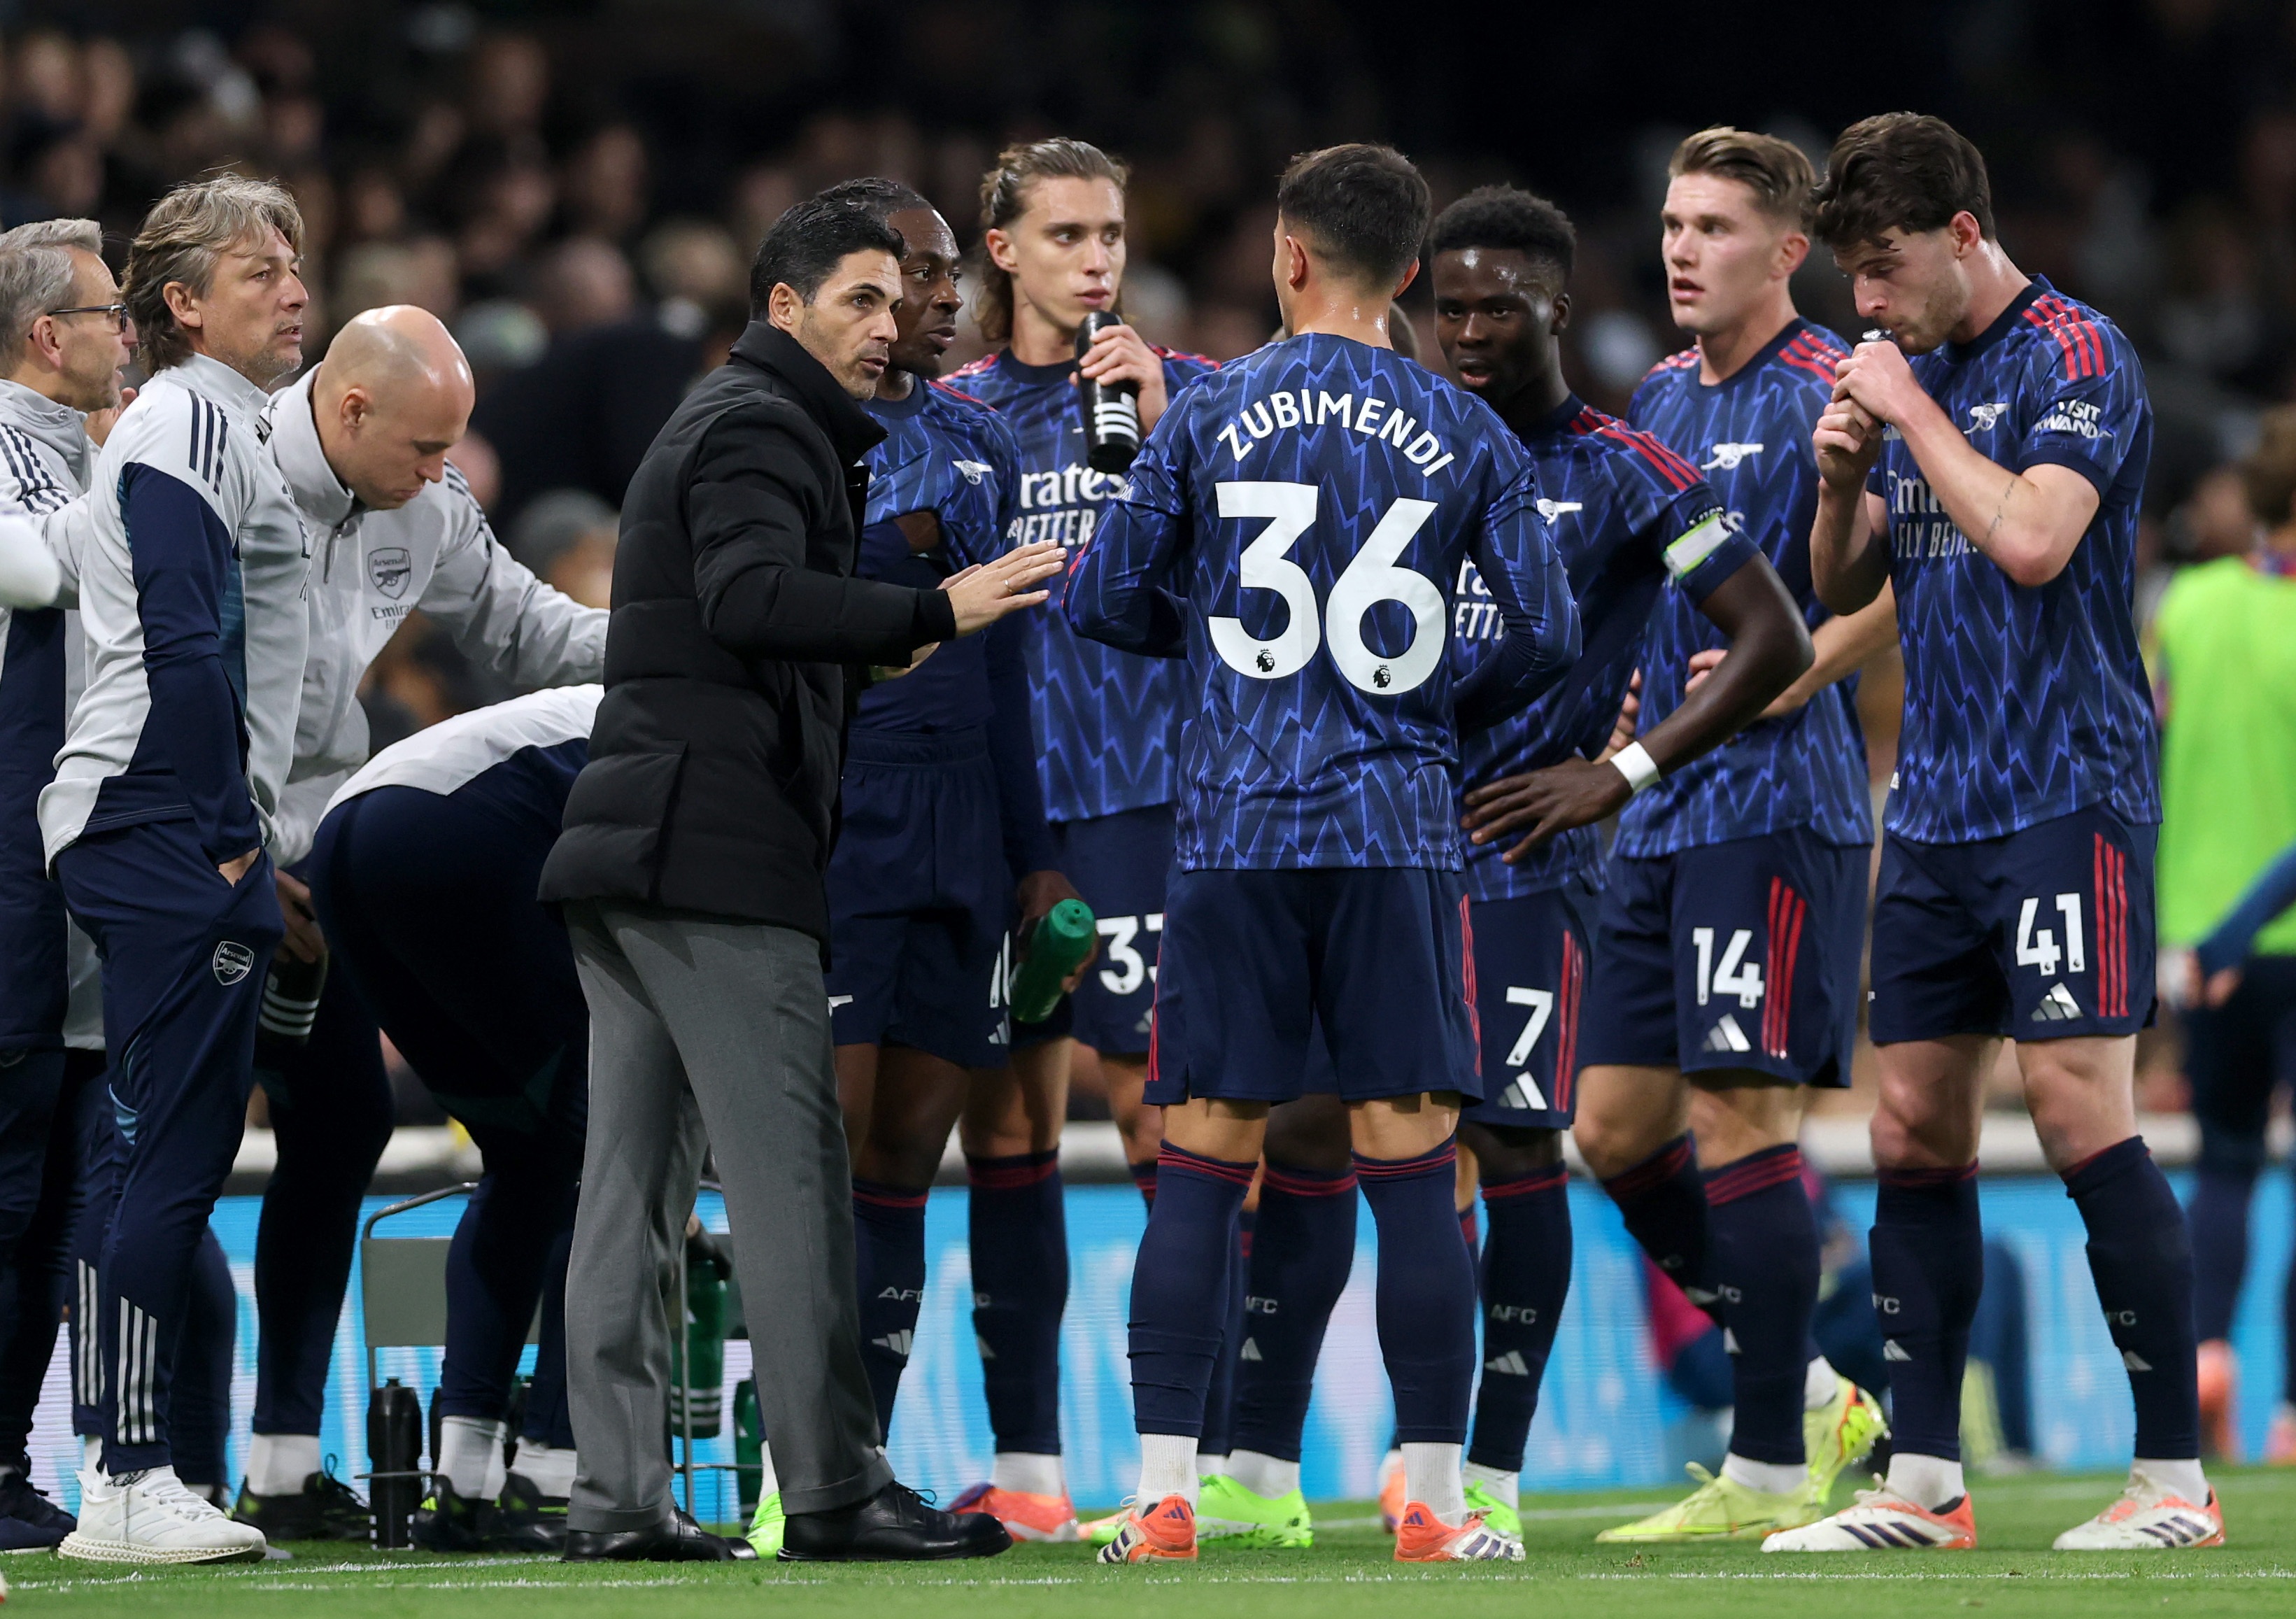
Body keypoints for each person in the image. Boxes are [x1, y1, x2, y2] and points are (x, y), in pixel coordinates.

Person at [537, 192, 1062, 1564]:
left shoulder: (739, 423)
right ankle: (833, 1484)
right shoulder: (763, 424)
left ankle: (616, 1496)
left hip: (638, 839)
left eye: (900, 302)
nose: (893, 327)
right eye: (862, 302)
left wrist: (883, 636)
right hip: (716, 848)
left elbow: (749, 622)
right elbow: (751, 599)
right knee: (793, 1172)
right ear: (784, 308)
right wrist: (930, 610)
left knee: (632, 1185)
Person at [1073, 143, 1579, 1566]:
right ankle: (1430, 1496)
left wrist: (1230, 652)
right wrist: (1417, 706)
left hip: (1234, 825)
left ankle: (1167, 1491)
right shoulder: (1468, 427)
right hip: (1394, 830)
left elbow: (1107, 598)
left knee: (1203, 1158)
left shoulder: (1208, 411)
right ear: (1412, 272)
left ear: (1287, 257)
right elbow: (1544, 632)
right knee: (1414, 1157)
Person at [1773, 112, 2215, 1553]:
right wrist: (1844, 469)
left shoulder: (2079, 355)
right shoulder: (1918, 373)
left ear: (1967, 232)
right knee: (1911, 1126)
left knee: (2084, 1106)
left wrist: (1903, 410)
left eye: (1888, 267)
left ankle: (2171, 1480)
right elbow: (1848, 574)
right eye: (1852, 276)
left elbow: (2030, 539)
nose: (1868, 304)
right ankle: (1922, 1480)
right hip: (1944, 806)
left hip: (2067, 790)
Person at [1556, 128, 1894, 1546]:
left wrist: (1808, 661)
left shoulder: (1845, 384)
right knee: (1613, 1128)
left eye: (1714, 226)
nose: (1682, 248)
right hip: (1655, 801)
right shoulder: (1651, 398)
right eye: (1674, 222)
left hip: (1775, 804)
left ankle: (1766, 1456)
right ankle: (1814, 1387)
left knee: (1740, 1112)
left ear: (1787, 249)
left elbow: (1915, 578)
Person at [232, 303, 606, 1543]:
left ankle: (280, 1461)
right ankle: (141, 1467)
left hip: (317, 866)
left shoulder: (424, 505)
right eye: (426, 447)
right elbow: (139, 674)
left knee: (336, 1135)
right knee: (151, 1168)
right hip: (193, 864)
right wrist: (225, 857)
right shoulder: (209, 469)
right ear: (347, 409)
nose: (443, 475)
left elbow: (533, 630)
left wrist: (692, 653)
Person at [788, 178, 1088, 1548]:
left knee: (908, 1151)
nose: (941, 291)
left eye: (945, 270)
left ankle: (867, 1468)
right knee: (823, 1158)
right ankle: (792, 1463)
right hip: (848, 826)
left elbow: (1013, 657)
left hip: (968, 834)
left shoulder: (970, 442)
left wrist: (1031, 852)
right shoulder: (790, 437)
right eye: (910, 272)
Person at [941, 139, 1220, 1517]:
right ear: (1002, 250)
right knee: (1007, 1134)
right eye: (1065, 235)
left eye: (1110, 232)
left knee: (1162, 1128)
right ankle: (1032, 1471)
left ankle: (1203, 1463)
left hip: (1146, 802)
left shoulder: (1198, 392)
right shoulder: (951, 413)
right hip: (1000, 816)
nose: (1097, 258)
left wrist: (1167, 421)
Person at [41, 174, 313, 1565]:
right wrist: (222, 826)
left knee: (155, 1145)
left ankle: (126, 1469)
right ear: (183, 303)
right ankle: (125, 1473)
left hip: (156, 807)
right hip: (165, 810)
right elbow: (182, 626)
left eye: (297, 267)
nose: (293, 289)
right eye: (260, 269)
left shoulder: (225, 420)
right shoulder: (189, 414)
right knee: (165, 1150)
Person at [306, 686, 602, 1553]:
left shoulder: (619, 706)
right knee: (618, 1144)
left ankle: (464, 1480)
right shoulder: (711, 730)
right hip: (445, 827)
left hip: (347, 835)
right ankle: (554, 1470)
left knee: (534, 1154)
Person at [0, 215, 127, 1550]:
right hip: (10, 879)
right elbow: (32, 569)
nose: (122, 338)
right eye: (106, 315)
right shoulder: (15, 452)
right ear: (50, 337)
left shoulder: (77, 452)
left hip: (67, 871)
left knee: (53, 1189)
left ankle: (10, 1464)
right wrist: (126, 466)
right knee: (7, 1184)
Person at [2150, 408, 2296, 1464]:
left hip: (2197, 935)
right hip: (2282, 922)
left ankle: (2205, 1354)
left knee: (2228, 1159)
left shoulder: (2185, 606)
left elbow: (2141, 746)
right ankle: (2292, 1407)